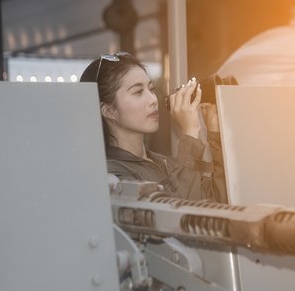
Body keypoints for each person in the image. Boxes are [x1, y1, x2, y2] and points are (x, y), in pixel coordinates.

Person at [80, 52, 227, 203]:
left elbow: (216, 209)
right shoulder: (110, 175)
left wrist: (214, 133)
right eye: (138, 92)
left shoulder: (166, 163)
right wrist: (189, 133)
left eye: (151, 89)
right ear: (108, 110)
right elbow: (170, 216)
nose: (153, 100)